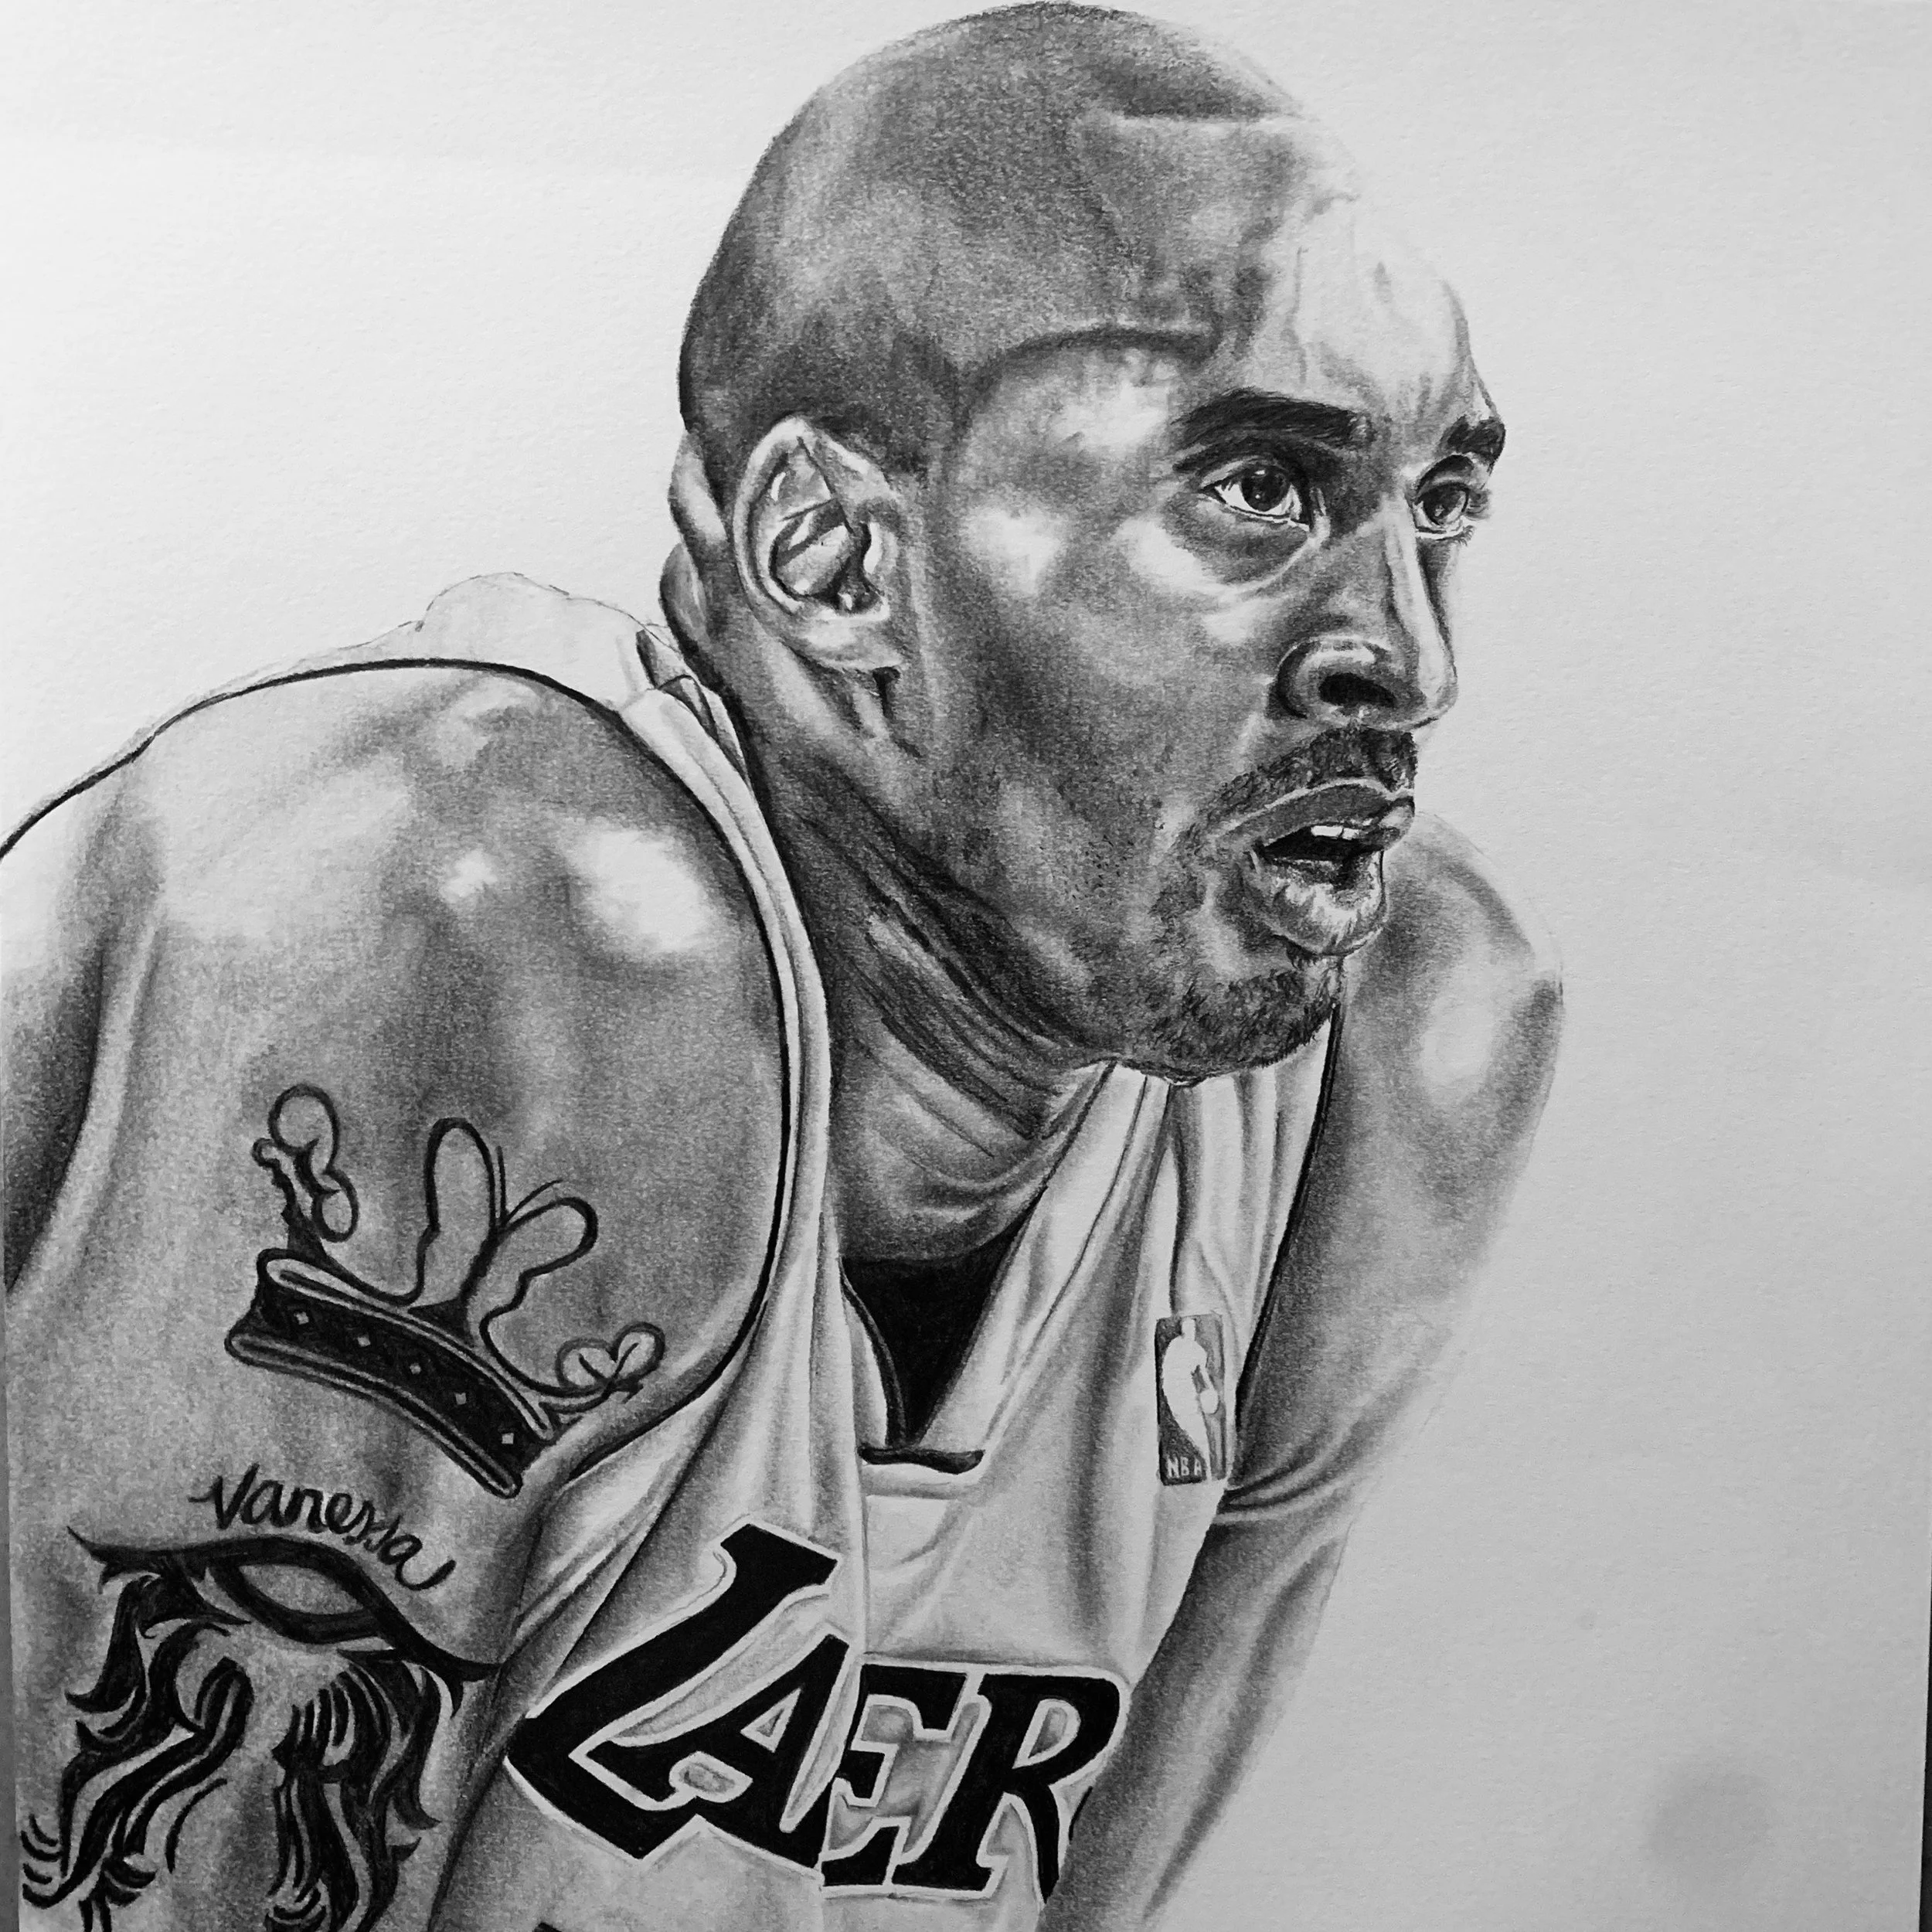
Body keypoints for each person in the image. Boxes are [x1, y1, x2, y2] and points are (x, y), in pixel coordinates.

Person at [0, 6, 1560, 1927]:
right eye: (1255, 489)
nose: (1406, 657)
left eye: (1438, 503)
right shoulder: (478, 912)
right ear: (831, 559)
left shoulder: (1392, 1049)